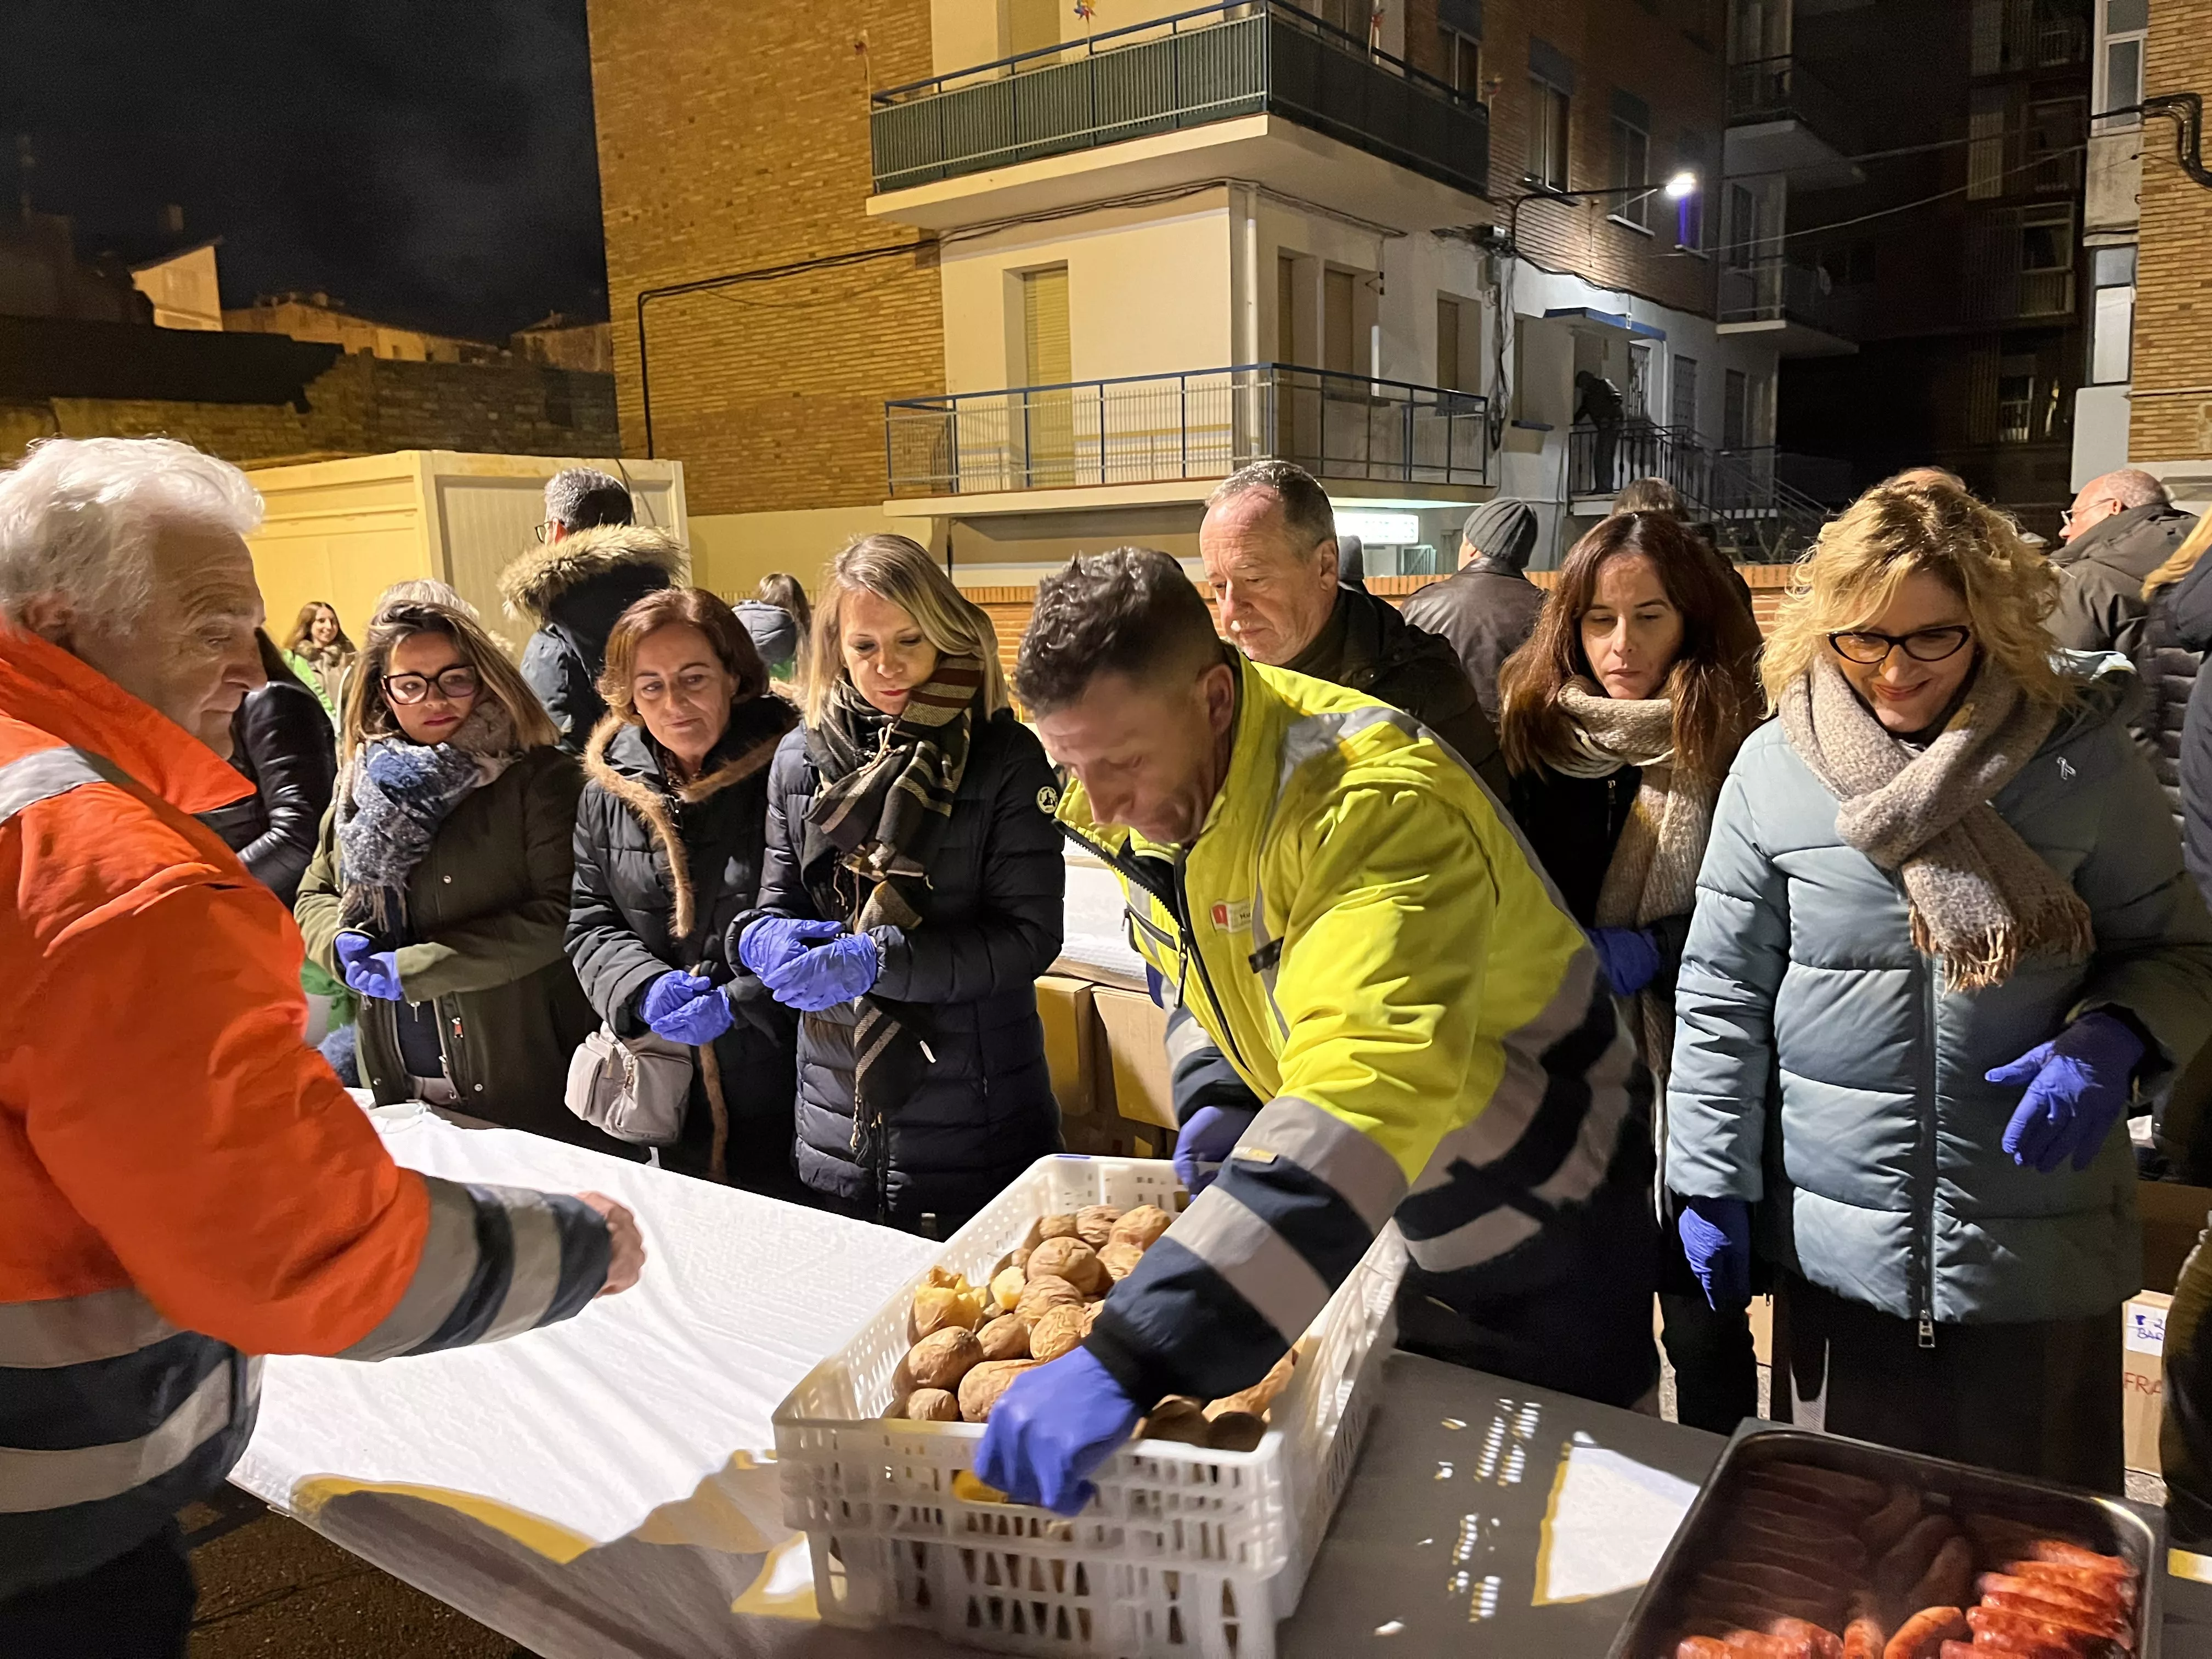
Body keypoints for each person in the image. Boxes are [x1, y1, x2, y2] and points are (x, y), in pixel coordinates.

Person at [0, 436, 641, 1656]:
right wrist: (566, 1248)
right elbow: (287, 1243)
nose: (254, 670)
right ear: (58, 619)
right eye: (208, 628)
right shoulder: (110, 875)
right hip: (37, 1525)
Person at [975, 548, 1654, 1514]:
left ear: (1213, 698)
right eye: (1074, 764)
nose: (1106, 802)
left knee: (1567, 1509)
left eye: (1120, 763)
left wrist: (1134, 1351)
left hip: (1538, 1207)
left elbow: (1365, 1081)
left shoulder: (1369, 803)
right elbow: (1195, 967)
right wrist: (1218, 1091)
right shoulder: (1154, 790)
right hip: (1375, 1215)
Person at [1666, 477, 2212, 1492]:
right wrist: (1707, 1177)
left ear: (1991, 621)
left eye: (1932, 637)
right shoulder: (1772, 767)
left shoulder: (2077, 756)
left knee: (2031, 1588)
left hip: (2036, 1266)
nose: (1893, 669)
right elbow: (1722, 994)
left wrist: (2116, 1035)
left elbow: (2182, 950)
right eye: (1862, 637)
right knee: (1843, 1573)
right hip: (1839, 1269)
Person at [1494, 511, 1765, 1434]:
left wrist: (1659, 948)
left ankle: (1714, 1492)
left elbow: (1772, 913)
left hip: (1698, 1073)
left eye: (1649, 616)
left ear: (1691, 615)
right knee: (1585, 1324)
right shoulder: (1531, 739)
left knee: (1701, 1327)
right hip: (1565, 1077)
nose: (1621, 645)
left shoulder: (1738, 740)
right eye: (1599, 619)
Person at [729, 534, 1064, 1233]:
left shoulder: (1003, 755)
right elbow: (774, 904)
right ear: (835, 649)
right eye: (864, 647)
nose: (888, 667)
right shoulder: (803, 756)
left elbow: (1029, 939)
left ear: (944, 630)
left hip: (977, 1117)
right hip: (835, 1119)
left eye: (909, 639)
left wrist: (881, 960)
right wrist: (762, 942)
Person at [295, 599, 622, 1152]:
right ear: (383, 692)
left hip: (520, 1077)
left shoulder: (538, 779)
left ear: (485, 676)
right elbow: (316, 891)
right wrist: (338, 941)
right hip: (400, 1073)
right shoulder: (360, 785)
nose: (436, 699)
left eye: (454, 679)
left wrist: (416, 969)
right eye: (411, 685)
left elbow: (561, 913)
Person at [569, 587, 805, 1194]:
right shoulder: (609, 791)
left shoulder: (794, 769)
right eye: (650, 686)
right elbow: (590, 920)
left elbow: (827, 917)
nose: (673, 703)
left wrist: (741, 1002)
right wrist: (643, 988)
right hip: (665, 1086)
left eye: (693, 678)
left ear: (734, 675)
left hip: (790, 1084)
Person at [1198, 461, 1506, 794]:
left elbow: (1488, 830)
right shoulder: (1215, 690)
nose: (1230, 612)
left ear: (1325, 567)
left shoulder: (1422, 690)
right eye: (1218, 587)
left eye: (1255, 579)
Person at [499, 466, 679, 753]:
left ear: (557, 532)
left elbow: (560, 763)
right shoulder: (678, 609)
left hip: (611, 792)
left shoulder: (556, 644)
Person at [2051, 467, 2200, 804]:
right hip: (2195, 763)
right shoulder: (2201, 553)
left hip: (2114, 777)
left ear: (2113, 508)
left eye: (2073, 515)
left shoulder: (2089, 581)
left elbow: (2051, 689)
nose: (2064, 530)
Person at [201, 630, 338, 909]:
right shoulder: (209, 711)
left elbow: (299, 833)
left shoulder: (269, 701)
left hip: (276, 904)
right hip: (241, 897)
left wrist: (209, 892)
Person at [1400, 497, 1545, 724]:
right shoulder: (1547, 609)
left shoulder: (1422, 604)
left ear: (1472, 546)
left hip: (1439, 743)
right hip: (1519, 747)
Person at [279, 598, 352, 720]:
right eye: (321, 621)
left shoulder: (348, 657)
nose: (329, 626)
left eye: (333, 621)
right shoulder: (291, 659)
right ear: (308, 624)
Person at [1576, 369, 1626, 494]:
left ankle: (1606, 487)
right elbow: (1583, 411)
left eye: (1583, 384)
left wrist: (1608, 418)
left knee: (1606, 456)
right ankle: (1601, 486)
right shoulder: (1588, 396)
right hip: (1603, 429)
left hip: (1612, 426)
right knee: (1599, 458)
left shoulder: (1604, 384)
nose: (1583, 387)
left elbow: (1617, 399)